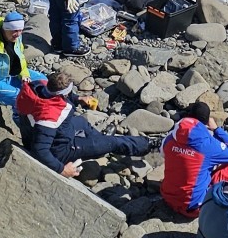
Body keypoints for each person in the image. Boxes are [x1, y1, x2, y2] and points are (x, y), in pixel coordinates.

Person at [15, 71, 156, 178]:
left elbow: (57, 95)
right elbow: (40, 149)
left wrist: (78, 98)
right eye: (70, 93)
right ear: (62, 95)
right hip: (59, 150)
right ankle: (149, 144)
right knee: (113, 142)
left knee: (81, 121)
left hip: (54, 131)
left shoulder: (37, 86)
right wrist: (61, 169)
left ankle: (99, 140)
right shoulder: (50, 115)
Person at [161, 101, 228, 217]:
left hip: (167, 197)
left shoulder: (170, 138)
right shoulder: (208, 145)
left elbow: (163, 154)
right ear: (207, 121)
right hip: (192, 207)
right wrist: (216, 129)